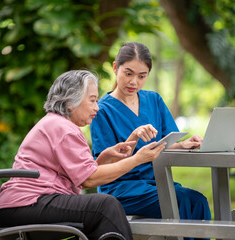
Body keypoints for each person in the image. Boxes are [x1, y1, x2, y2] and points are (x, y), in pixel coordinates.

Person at [0, 70, 167, 240]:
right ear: (70, 101)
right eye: (92, 100)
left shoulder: (56, 123)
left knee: (99, 208)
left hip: (19, 207)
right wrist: (137, 159)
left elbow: (82, 175)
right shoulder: (64, 129)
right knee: (105, 206)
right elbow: (88, 180)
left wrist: (105, 157)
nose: (96, 107)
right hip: (25, 205)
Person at [90, 42, 211, 239]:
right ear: (115, 68)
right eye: (128, 73)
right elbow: (104, 164)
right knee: (182, 200)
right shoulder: (102, 110)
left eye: (141, 76)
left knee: (197, 201)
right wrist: (134, 142)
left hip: (155, 183)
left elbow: (165, 144)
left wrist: (183, 145)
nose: (134, 82)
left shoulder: (154, 100)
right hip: (122, 188)